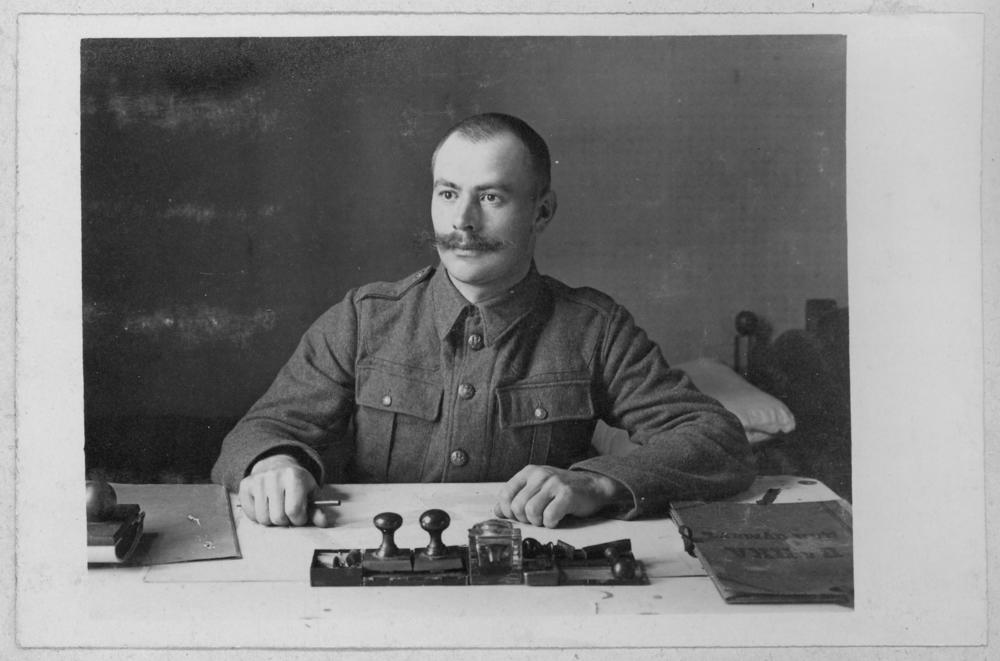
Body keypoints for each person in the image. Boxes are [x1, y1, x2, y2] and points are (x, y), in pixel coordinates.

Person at [211, 112, 754, 528]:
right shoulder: (364, 318)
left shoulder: (595, 328)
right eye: (448, 193)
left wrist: (599, 484)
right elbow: (258, 432)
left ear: (542, 211)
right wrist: (273, 463)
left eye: (490, 197)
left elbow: (717, 440)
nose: (462, 221)